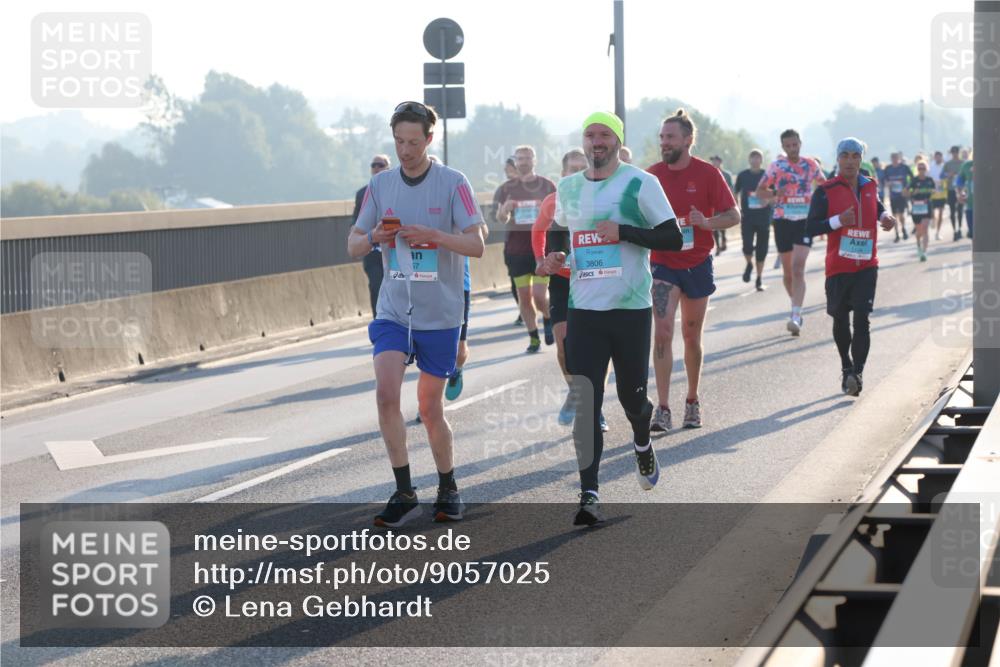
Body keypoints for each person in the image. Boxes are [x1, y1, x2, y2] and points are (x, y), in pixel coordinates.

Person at [349, 101, 486, 527]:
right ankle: (405, 492)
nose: (405, 151)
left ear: (429, 139)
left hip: (440, 312)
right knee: (386, 394)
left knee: (429, 408)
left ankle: (448, 486)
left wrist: (435, 236)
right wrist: (374, 236)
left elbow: (477, 244)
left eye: (413, 142)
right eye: (398, 142)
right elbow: (353, 244)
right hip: (394, 310)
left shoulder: (453, 182)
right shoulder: (380, 186)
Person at [543, 111, 682, 526]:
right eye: (590, 135)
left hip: (630, 309)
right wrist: (554, 255)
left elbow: (672, 237)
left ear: (618, 141)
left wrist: (623, 232)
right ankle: (589, 493)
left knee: (632, 400)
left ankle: (642, 442)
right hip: (584, 310)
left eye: (604, 134)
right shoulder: (568, 187)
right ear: (583, 142)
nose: (596, 141)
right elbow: (558, 229)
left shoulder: (640, 183)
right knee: (586, 401)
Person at [648, 110, 740, 431]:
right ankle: (662, 407)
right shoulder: (652, 176)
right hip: (663, 263)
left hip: (697, 263)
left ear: (688, 140)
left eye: (670, 137)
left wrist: (707, 222)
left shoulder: (708, 174)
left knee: (691, 334)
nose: (664, 143)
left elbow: (734, 215)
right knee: (662, 332)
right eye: (662, 137)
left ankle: (691, 399)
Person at [805, 137, 895, 396]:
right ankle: (846, 366)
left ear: (861, 159)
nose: (850, 161)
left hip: (867, 264)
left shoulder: (870, 184)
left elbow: (876, 204)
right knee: (841, 319)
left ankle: (858, 373)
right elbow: (811, 227)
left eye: (855, 156)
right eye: (845, 155)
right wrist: (837, 221)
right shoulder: (826, 190)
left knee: (862, 320)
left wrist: (885, 216)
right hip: (839, 267)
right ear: (837, 158)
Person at [531, 148, 609, 430]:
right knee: (565, 348)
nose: (576, 174)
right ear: (562, 174)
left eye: (581, 168)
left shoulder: (601, 198)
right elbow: (538, 230)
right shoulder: (554, 200)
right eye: (571, 169)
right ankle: (576, 391)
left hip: (594, 279)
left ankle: (594, 408)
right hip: (563, 281)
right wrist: (540, 260)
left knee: (596, 349)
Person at [755, 129, 827, 336]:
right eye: (788, 146)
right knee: (787, 274)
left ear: (800, 143)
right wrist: (775, 192)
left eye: (795, 145)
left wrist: (819, 206)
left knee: (798, 269)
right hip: (782, 220)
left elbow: (825, 187)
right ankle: (796, 306)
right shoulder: (777, 166)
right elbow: (760, 192)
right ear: (783, 147)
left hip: (804, 221)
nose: (792, 149)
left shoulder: (810, 164)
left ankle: (795, 315)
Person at [496, 146, 557, 352]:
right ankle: (533, 338)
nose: (523, 162)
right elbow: (500, 218)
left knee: (540, 296)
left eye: (527, 158)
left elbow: (559, 215)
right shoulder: (506, 188)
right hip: (517, 251)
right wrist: (505, 210)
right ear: (515, 162)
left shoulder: (547, 185)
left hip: (541, 249)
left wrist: (544, 210)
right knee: (524, 297)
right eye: (520, 159)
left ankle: (547, 316)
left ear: (534, 160)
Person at [353, 154, 392, 317]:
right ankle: (378, 321)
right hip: (372, 250)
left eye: (380, 165)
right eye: (373, 165)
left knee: (393, 287)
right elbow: (356, 223)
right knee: (376, 285)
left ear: (388, 168)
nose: (376, 168)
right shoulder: (363, 193)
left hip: (393, 250)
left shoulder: (396, 189)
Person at [734, 149, 772, 290]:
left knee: (762, 250)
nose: (755, 160)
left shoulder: (767, 175)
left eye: (758, 158)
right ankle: (749, 264)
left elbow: (775, 194)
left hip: (764, 217)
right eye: (753, 157)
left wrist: (768, 200)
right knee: (747, 246)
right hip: (748, 217)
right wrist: (737, 208)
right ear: (749, 160)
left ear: (761, 160)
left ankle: (759, 279)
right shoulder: (743, 175)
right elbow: (735, 192)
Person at [906, 160, 935, 262]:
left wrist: (933, 192)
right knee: (919, 231)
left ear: (926, 169)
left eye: (923, 168)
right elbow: (905, 193)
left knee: (925, 229)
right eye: (919, 168)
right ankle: (918, 245)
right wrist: (913, 192)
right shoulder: (913, 180)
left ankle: (924, 252)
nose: (921, 170)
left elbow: (934, 191)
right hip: (916, 208)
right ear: (917, 169)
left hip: (927, 206)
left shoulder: (930, 180)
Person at [883, 152, 912, 243]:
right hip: (893, 196)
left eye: (896, 158)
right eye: (893, 158)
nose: (894, 160)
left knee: (901, 214)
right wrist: (887, 183)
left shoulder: (904, 167)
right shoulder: (888, 168)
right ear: (891, 159)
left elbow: (912, 178)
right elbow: (884, 180)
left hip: (902, 195)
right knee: (894, 215)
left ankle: (903, 229)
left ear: (899, 158)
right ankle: (897, 234)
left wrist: (907, 188)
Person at [709, 155, 734, 254]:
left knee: (722, 222)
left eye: (715, 161)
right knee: (714, 225)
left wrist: (733, 203)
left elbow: (731, 189)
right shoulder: (710, 173)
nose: (713, 163)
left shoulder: (726, 175)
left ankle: (723, 238)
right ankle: (718, 247)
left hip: (724, 202)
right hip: (713, 203)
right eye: (712, 161)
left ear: (720, 162)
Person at [942, 145, 965, 241]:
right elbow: (941, 175)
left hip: (961, 189)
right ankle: (954, 230)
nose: (955, 154)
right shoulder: (948, 164)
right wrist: (948, 174)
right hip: (951, 189)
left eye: (956, 152)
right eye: (953, 152)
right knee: (952, 211)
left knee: (960, 210)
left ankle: (959, 229)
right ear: (951, 153)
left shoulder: (963, 163)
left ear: (959, 153)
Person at [928, 150, 949, 240]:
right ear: (934, 157)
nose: (937, 158)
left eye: (939, 157)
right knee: (932, 211)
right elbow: (928, 177)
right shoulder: (931, 167)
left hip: (942, 193)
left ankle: (938, 232)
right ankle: (933, 219)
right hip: (933, 193)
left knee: (941, 212)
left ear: (941, 157)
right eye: (936, 157)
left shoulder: (944, 167)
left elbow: (947, 177)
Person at [955, 152, 974, 239]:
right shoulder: (966, 165)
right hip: (970, 204)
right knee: (972, 233)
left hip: (989, 205)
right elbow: (959, 181)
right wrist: (959, 194)